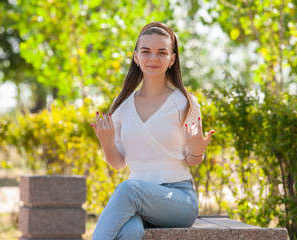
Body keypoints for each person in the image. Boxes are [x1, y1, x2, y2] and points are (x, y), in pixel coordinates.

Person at [90, 21, 215, 240]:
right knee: (129, 232)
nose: (153, 58)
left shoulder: (184, 102)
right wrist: (107, 142)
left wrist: (197, 151)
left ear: (172, 59)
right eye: (146, 52)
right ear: (136, 57)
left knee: (128, 189)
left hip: (179, 199)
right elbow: (119, 163)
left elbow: (192, 160)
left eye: (161, 52)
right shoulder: (123, 105)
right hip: (138, 201)